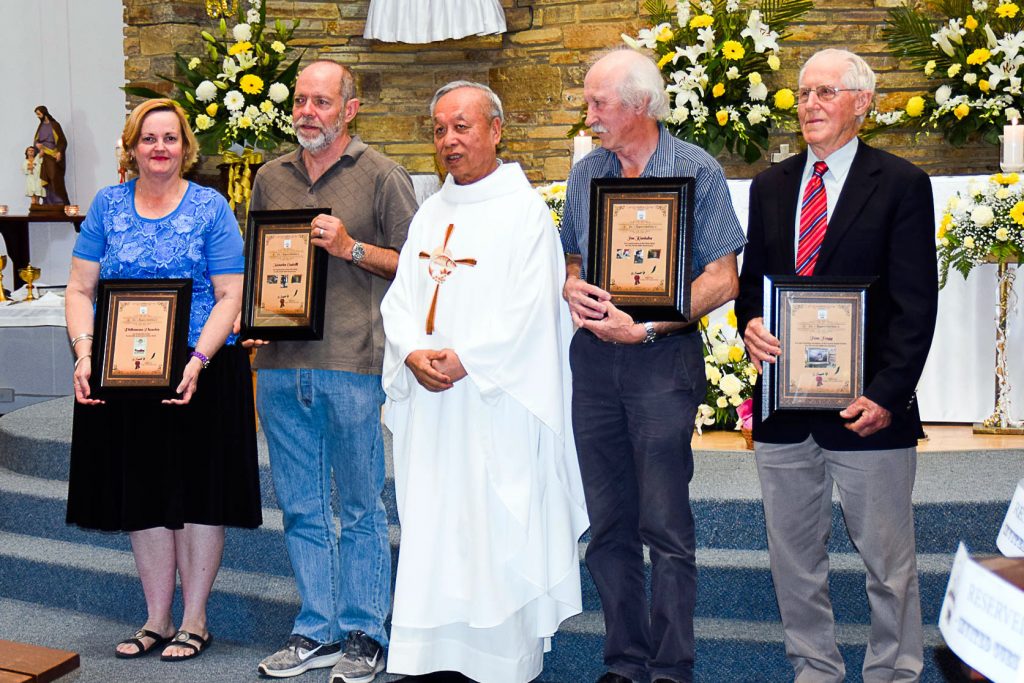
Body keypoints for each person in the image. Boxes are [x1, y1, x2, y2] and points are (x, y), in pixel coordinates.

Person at [735, 49, 939, 682]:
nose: (810, 105)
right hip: (784, 409)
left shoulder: (902, 183)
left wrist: (887, 394)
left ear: (863, 102)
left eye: (825, 92)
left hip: (866, 412)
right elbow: (751, 288)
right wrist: (750, 325)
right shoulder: (771, 185)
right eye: (802, 94)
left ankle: (893, 672)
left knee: (889, 564)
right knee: (794, 562)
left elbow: (915, 303)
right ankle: (815, 668)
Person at [380, 81, 589, 683]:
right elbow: (401, 301)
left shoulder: (523, 215)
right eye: (440, 129)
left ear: (496, 130)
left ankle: (501, 662)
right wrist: (413, 351)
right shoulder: (430, 214)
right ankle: (436, 654)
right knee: (438, 527)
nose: (449, 140)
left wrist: (468, 358)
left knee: (493, 529)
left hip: (496, 406)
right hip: (435, 406)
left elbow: (534, 311)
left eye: (462, 127)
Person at [560, 49, 746, 683]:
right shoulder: (585, 175)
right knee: (608, 523)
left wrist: (646, 324)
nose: (589, 116)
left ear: (639, 105)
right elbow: (573, 259)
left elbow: (722, 280)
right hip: (593, 366)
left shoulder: (696, 169)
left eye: (599, 104)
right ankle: (625, 661)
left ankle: (671, 668)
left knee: (664, 523)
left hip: (661, 361)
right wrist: (574, 286)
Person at [64, 98, 261, 662]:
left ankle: (195, 619)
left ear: (185, 147)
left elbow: (230, 295)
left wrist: (198, 360)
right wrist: (84, 354)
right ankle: (155, 618)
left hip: (200, 369)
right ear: (132, 147)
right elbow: (80, 290)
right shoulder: (107, 205)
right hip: (124, 373)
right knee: (145, 494)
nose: (160, 149)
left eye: (170, 138)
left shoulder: (210, 207)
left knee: (199, 495)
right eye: (149, 139)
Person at [247, 59, 417, 683]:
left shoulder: (382, 176)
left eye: (321, 101)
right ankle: (314, 628)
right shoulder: (272, 177)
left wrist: (350, 246)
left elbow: (416, 265)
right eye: (300, 101)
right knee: (299, 504)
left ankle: (365, 631)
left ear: (350, 109)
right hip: (280, 364)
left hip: (351, 361)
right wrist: (259, 314)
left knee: (362, 504)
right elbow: (259, 263)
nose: (307, 112)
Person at [33, 105, 70, 205]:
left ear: (44, 113)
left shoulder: (55, 125)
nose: (38, 116)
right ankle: (48, 201)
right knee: (45, 179)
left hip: (52, 155)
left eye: (39, 114)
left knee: (54, 176)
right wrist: (37, 145)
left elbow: (62, 141)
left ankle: (59, 201)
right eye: (37, 115)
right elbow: (35, 141)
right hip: (43, 155)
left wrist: (59, 151)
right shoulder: (40, 127)